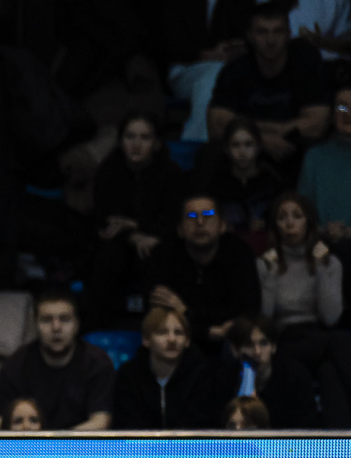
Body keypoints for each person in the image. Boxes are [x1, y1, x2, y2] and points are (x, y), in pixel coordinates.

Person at [87, 112, 189, 326]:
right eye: (130, 136)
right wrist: (133, 236)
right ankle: (96, 327)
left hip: (159, 239)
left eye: (145, 137)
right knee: (108, 254)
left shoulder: (172, 174)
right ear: (120, 141)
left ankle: (162, 326)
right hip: (120, 242)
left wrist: (136, 225)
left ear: (156, 143)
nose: (136, 144)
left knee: (157, 254)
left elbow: (174, 221)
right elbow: (105, 221)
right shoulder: (108, 171)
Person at [257, 191, 351, 426]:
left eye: (297, 216)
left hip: (318, 336)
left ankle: (338, 440)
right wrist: (270, 276)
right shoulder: (265, 263)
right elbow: (265, 318)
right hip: (284, 339)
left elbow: (331, 317)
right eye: (282, 217)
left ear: (309, 222)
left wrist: (321, 268)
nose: (290, 223)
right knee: (341, 341)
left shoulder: (330, 262)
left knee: (330, 372)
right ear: (275, 225)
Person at [208, 4, 330, 167]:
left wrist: (252, 129)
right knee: (210, 153)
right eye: (262, 32)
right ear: (250, 36)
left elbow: (317, 124)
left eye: (277, 31)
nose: (270, 40)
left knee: (316, 150)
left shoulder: (306, 62)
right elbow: (216, 126)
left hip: (295, 148)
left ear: (288, 34)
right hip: (247, 151)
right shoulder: (235, 69)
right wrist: (262, 139)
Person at [162, 0, 255, 141]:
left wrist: (234, 49)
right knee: (213, 75)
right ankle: (198, 143)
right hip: (184, 71)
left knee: (217, 76)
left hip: (227, 70)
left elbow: (248, 39)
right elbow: (172, 45)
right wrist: (212, 54)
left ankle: (195, 142)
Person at [0, 289, 115, 430]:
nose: (56, 328)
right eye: (47, 320)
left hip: (78, 444)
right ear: (35, 324)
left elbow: (101, 421)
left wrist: (57, 442)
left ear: (77, 324)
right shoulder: (15, 366)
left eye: (64, 319)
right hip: (30, 444)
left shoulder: (97, 364)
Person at [147, 193, 262, 344]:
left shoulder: (239, 253)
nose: (200, 222)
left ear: (222, 226)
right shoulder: (164, 254)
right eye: (191, 216)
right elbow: (158, 315)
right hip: (179, 339)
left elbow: (247, 311)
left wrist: (184, 311)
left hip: (229, 339)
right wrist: (206, 331)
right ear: (180, 229)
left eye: (208, 215)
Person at [111, 306, 232, 429]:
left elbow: (201, 423)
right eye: (162, 332)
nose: (172, 339)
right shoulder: (128, 374)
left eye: (178, 333)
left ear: (187, 340)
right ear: (146, 339)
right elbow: (127, 422)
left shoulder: (203, 374)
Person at [222, 314, 319, 428]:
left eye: (263, 343)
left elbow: (307, 427)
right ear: (235, 350)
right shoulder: (223, 380)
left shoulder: (295, 377)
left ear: (273, 346)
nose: (257, 352)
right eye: (249, 345)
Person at [201, 115, 283, 249]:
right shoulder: (217, 183)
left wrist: (267, 225)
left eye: (248, 144)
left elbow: (281, 217)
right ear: (226, 149)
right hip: (226, 247)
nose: (242, 152)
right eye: (236, 145)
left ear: (258, 147)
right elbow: (206, 214)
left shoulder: (272, 182)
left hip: (266, 248)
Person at [299, 78, 351, 245]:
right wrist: (325, 231)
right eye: (342, 107)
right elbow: (301, 210)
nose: (347, 113)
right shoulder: (315, 156)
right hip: (320, 244)